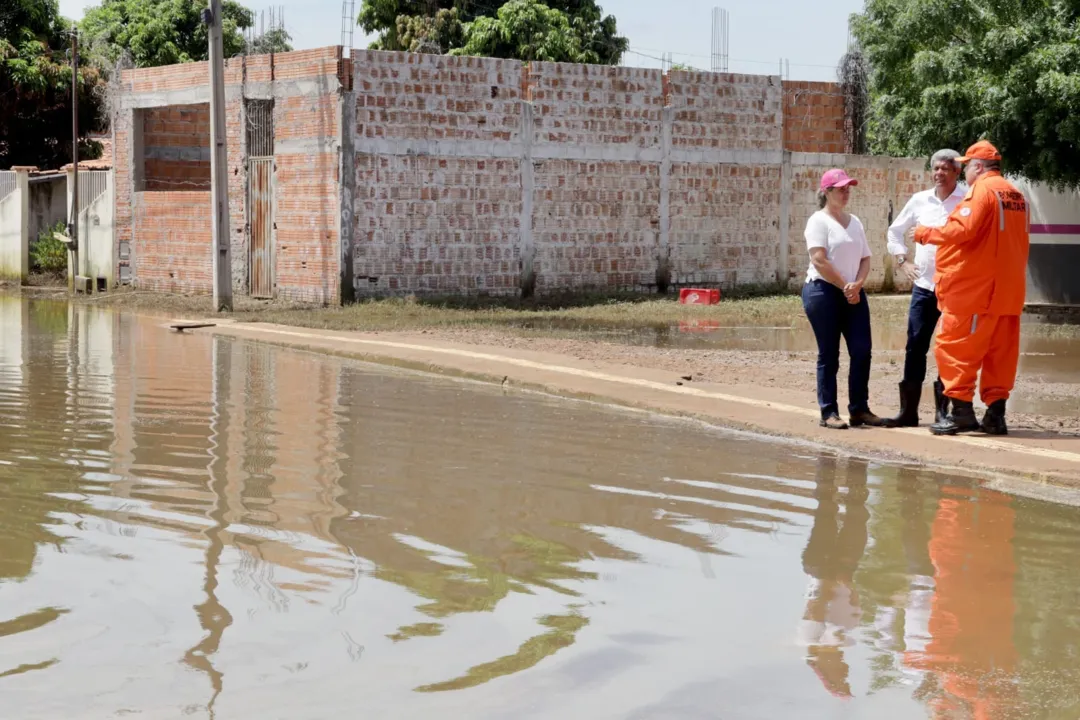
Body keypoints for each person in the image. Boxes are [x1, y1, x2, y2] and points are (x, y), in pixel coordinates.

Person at [913, 140, 1031, 435]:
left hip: (976, 293)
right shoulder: (1016, 194)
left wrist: (924, 233)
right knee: (1000, 354)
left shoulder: (982, 192)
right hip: (1007, 293)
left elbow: (962, 230)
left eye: (966, 166)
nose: (964, 172)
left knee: (956, 349)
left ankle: (962, 412)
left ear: (978, 167)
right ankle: (996, 414)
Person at [882, 150, 967, 428]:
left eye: (945, 168)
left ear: (957, 172)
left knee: (949, 349)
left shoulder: (967, 199)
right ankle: (908, 412)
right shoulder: (920, 200)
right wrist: (902, 261)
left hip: (956, 287)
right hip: (923, 287)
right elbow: (895, 231)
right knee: (915, 345)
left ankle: (943, 413)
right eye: (936, 168)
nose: (939, 173)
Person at [802, 168, 885, 429]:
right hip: (823, 291)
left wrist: (857, 284)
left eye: (848, 187)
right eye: (841, 188)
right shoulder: (818, 221)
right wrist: (845, 286)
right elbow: (819, 259)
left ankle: (859, 409)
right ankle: (829, 412)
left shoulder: (855, 221)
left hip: (853, 292)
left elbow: (865, 257)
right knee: (830, 354)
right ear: (826, 192)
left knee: (862, 350)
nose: (846, 192)